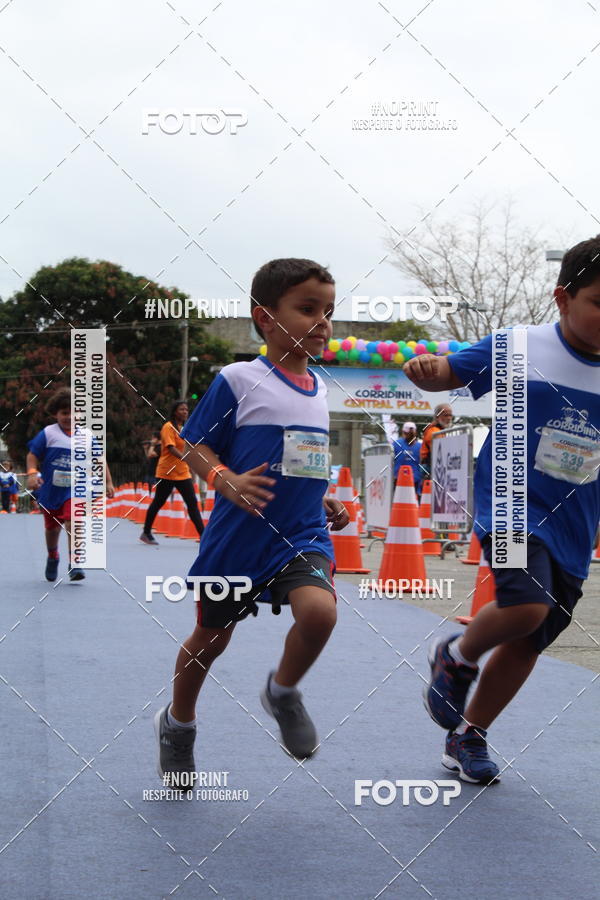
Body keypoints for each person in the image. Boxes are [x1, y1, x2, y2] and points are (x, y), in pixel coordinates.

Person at [403, 235, 600, 785]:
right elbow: (452, 370)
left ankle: (469, 733)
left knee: (529, 639)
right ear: (563, 299)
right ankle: (456, 655)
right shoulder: (520, 347)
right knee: (525, 603)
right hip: (509, 504)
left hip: (574, 523)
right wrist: (429, 371)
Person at [154, 257, 349, 784]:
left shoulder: (321, 389)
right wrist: (225, 480)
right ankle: (178, 725)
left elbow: (302, 458)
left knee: (320, 614)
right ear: (265, 318)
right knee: (212, 640)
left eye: (328, 311)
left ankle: (282, 691)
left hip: (301, 534)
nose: (322, 322)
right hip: (239, 539)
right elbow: (193, 444)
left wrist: (323, 495)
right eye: (307, 309)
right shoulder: (239, 379)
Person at [26, 388, 115, 582]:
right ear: (56, 413)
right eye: (64, 412)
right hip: (50, 490)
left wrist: (107, 481)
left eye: (74, 412)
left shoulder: (87, 436)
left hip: (75, 489)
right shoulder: (48, 433)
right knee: (52, 529)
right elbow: (32, 456)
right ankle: (53, 557)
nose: (69, 417)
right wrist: (32, 474)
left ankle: (75, 562)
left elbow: (99, 458)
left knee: (73, 520)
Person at [140, 402, 204, 545]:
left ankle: (203, 536)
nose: (185, 411)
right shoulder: (168, 427)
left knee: (192, 503)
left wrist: (192, 467)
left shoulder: (186, 428)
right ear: (175, 412)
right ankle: (146, 532)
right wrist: (186, 458)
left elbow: (190, 449)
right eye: (182, 409)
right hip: (166, 473)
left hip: (182, 473)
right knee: (158, 502)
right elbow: (170, 448)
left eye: (187, 409)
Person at [419, 404, 453, 479]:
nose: (449, 418)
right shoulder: (434, 432)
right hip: (430, 468)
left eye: (450, 415)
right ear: (437, 417)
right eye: (446, 415)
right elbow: (438, 454)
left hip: (434, 467)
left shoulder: (440, 430)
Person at [391, 422, 423, 496]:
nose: (410, 435)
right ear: (404, 432)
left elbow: (422, 462)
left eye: (412, 433)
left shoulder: (420, 446)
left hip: (414, 480)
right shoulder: (396, 444)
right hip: (399, 479)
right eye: (408, 433)